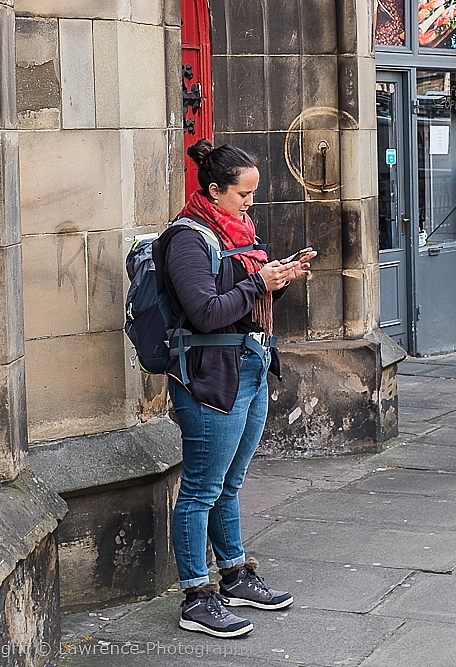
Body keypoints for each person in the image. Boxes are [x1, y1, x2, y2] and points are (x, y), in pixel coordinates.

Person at [155, 139, 317, 637]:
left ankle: (234, 576)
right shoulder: (187, 238)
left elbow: (245, 301)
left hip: (249, 364)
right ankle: (196, 598)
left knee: (229, 483)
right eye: (243, 195)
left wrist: (279, 278)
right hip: (209, 376)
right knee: (201, 487)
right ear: (214, 189)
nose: (250, 204)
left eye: (253, 194)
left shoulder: (238, 232)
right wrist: (259, 283)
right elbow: (205, 313)